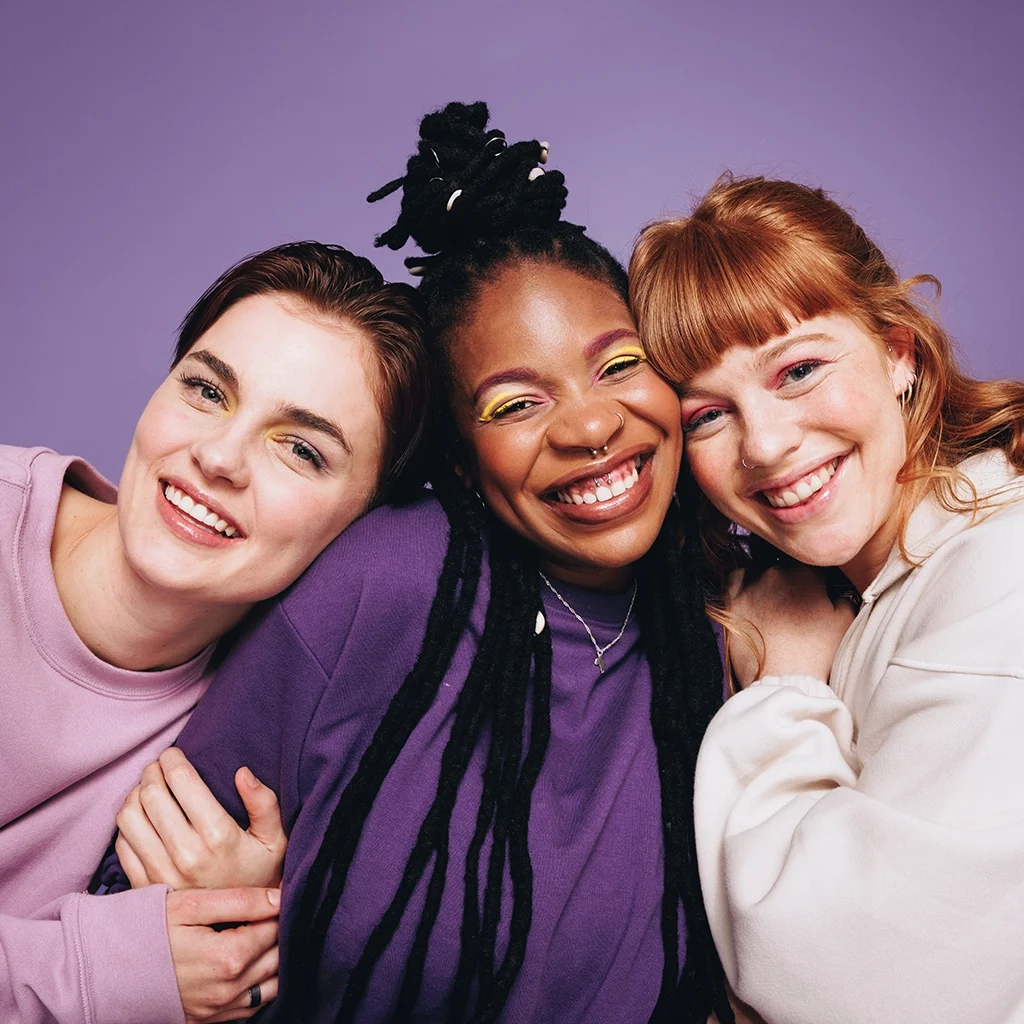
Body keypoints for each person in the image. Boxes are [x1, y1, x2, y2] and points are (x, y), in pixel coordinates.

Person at [107, 101, 736, 1023]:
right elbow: (133, 920)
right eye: (515, 403)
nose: (592, 424)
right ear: (461, 461)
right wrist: (250, 937)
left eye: (618, 365)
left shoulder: (720, 643)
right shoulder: (388, 582)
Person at [0, 240, 432, 1024]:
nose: (219, 456)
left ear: (363, 528)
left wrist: (235, 917)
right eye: (207, 390)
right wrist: (106, 970)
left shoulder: (264, 738)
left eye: (300, 449)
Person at [629, 174, 1024, 1024]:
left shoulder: (1001, 570)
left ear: (899, 352)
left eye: (800, 370)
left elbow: (869, 987)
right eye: (707, 416)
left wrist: (785, 692)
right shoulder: (884, 580)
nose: (767, 445)